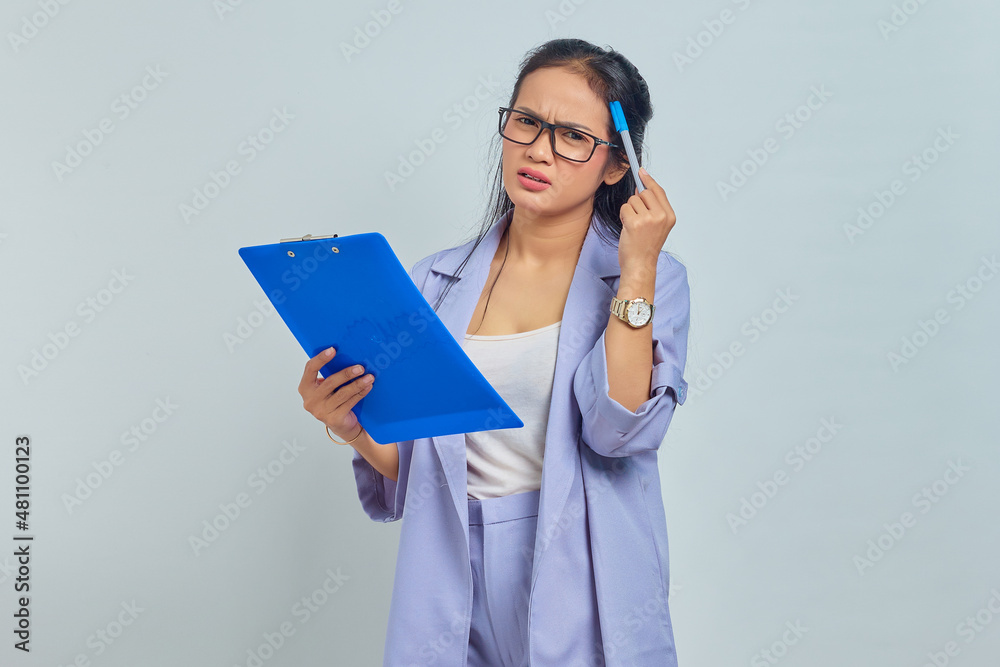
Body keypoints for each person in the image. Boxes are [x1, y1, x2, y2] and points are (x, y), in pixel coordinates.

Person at [299, 38, 690, 667]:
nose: (540, 149)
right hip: (449, 568)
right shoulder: (432, 282)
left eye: (572, 137)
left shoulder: (650, 279)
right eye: (527, 122)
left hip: (581, 571)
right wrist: (349, 426)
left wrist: (637, 267)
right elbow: (422, 467)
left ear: (618, 165)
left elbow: (619, 431)